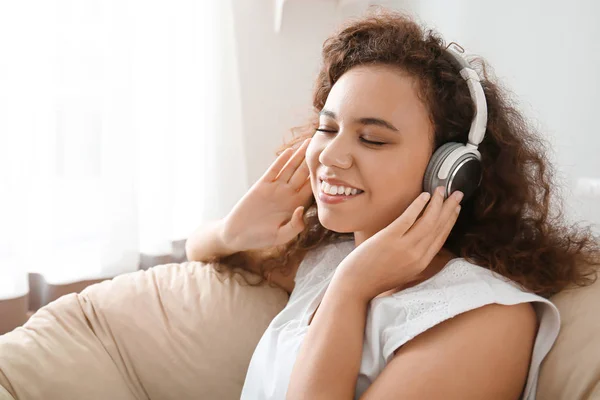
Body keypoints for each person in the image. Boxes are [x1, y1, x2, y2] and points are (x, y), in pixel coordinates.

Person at [185, 8, 600, 400]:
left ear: (450, 169)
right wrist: (231, 231)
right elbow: (199, 250)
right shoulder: (323, 260)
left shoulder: (489, 320)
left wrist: (351, 290)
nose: (330, 156)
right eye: (328, 128)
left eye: (372, 139)